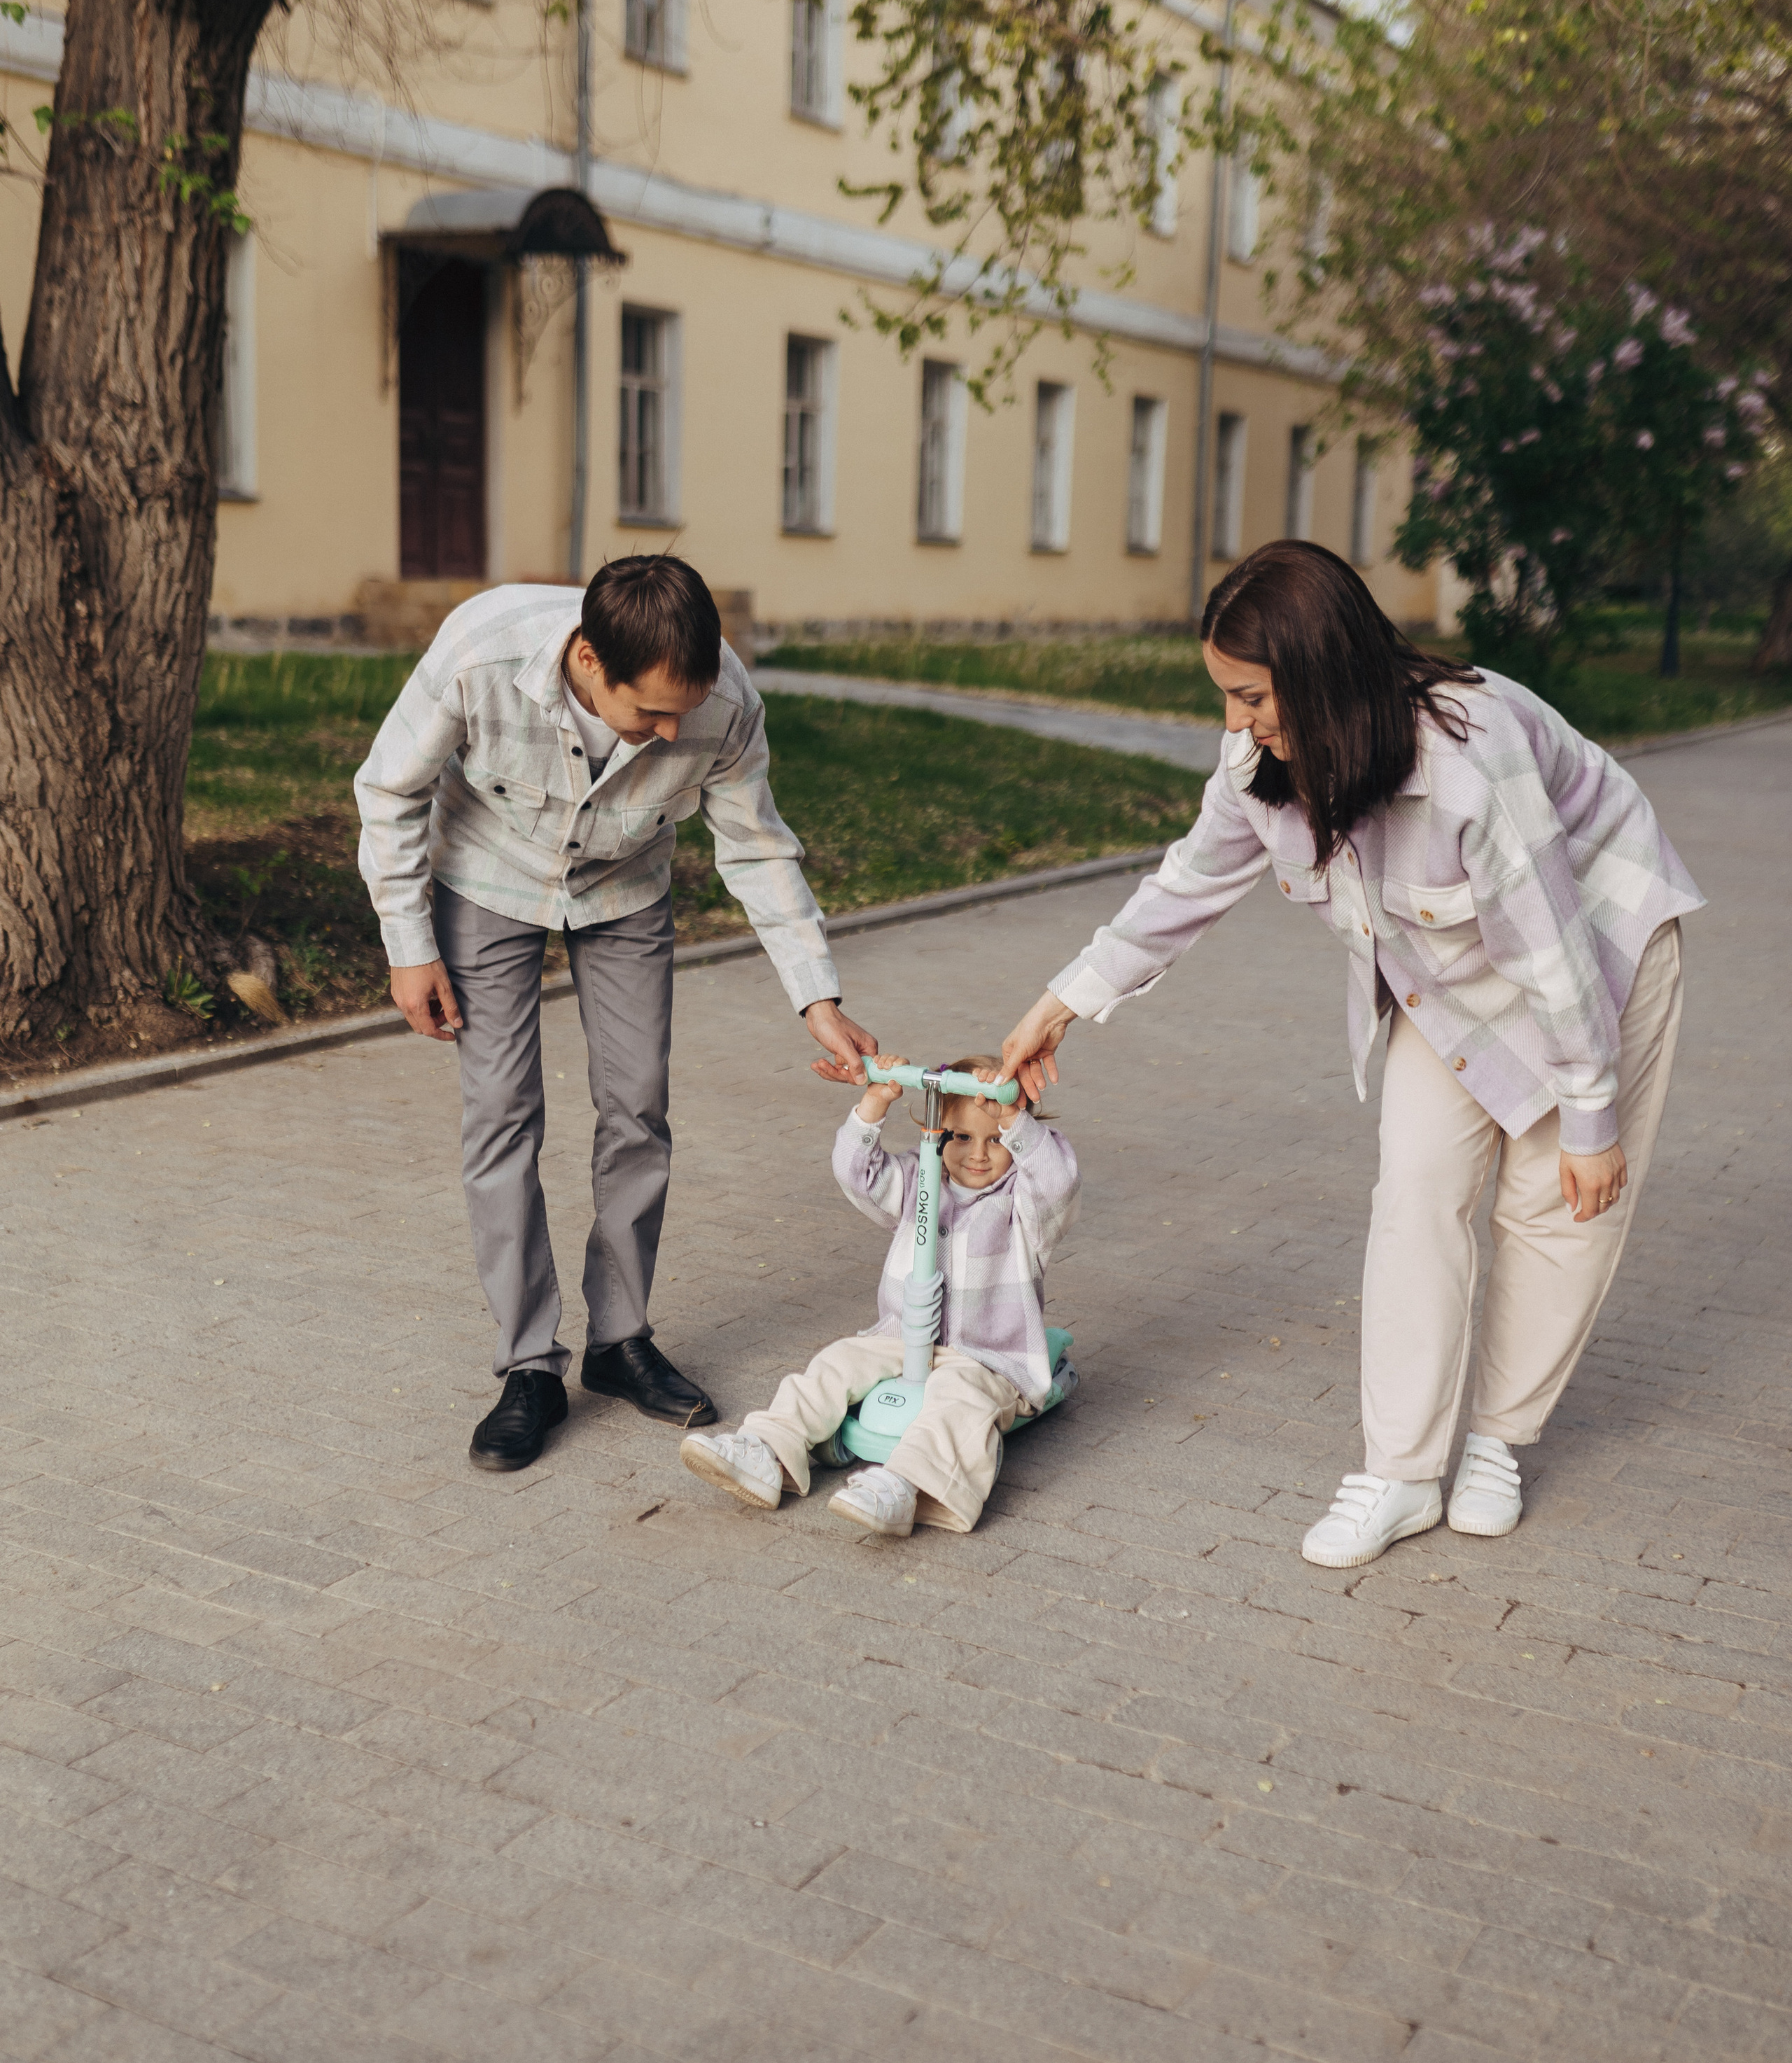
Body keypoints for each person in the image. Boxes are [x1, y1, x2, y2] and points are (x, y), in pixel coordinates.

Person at [998, 540, 1702, 1569]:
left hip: (1593, 945)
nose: (1234, 725)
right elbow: (1188, 883)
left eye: (1249, 696)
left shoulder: (1471, 756)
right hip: (1451, 969)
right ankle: (1402, 1470)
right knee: (1415, 1187)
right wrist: (1063, 1001)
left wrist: (1591, 1123)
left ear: (1322, 671)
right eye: (1226, 699)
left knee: (1553, 1204)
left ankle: (1500, 1442)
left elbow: (1554, 956)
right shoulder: (1261, 760)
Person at [355, 556, 877, 1472]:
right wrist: (409, 947)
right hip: (485, 877)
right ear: (590, 662)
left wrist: (818, 998)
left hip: (627, 892)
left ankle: (620, 1340)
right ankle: (528, 1366)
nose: (674, 731)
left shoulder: (723, 702)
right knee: (501, 1116)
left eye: (687, 710)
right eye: (651, 714)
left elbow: (756, 851)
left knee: (638, 1106)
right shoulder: (482, 653)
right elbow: (390, 790)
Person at [679, 1058, 1081, 1537]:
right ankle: (767, 1450)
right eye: (961, 1137)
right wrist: (876, 1101)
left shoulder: (1027, 1205)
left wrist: (1014, 1116)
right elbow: (857, 1174)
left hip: (984, 1357)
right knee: (836, 1362)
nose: (977, 1154)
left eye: (996, 1140)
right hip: (897, 1338)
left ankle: (906, 1486)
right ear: (938, 1134)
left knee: (959, 1401)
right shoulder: (921, 1178)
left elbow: (1059, 1181)